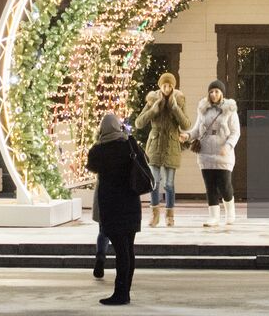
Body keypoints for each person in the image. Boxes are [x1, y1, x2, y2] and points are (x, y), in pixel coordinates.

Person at [86, 112, 148, 306]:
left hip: (112, 207)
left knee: (121, 251)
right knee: (128, 250)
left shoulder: (99, 150)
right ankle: (124, 290)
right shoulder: (129, 144)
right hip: (131, 205)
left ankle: (121, 293)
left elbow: (91, 166)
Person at [179, 80, 240, 227]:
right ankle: (214, 217)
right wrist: (187, 136)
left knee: (225, 186)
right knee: (210, 187)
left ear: (222, 93)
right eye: (211, 92)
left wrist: (228, 146)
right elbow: (196, 130)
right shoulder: (203, 109)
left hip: (223, 155)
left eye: (217, 91)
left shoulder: (230, 109)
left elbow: (235, 132)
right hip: (205, 154)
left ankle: (230, 212)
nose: (213, 94)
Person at [133, 72, 190, 227]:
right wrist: (153, 110)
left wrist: (175, 108)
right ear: (160, 85)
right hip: (155, 145)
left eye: (170, 85)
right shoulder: (152, 100)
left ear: (173, 86)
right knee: (154, 183)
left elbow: (186, 125)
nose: (167, 88)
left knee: (169, 184)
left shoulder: (178, 99)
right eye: (164, 85)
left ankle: (170, 215)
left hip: (171, 145)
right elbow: (138, 123)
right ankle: (154, 214)